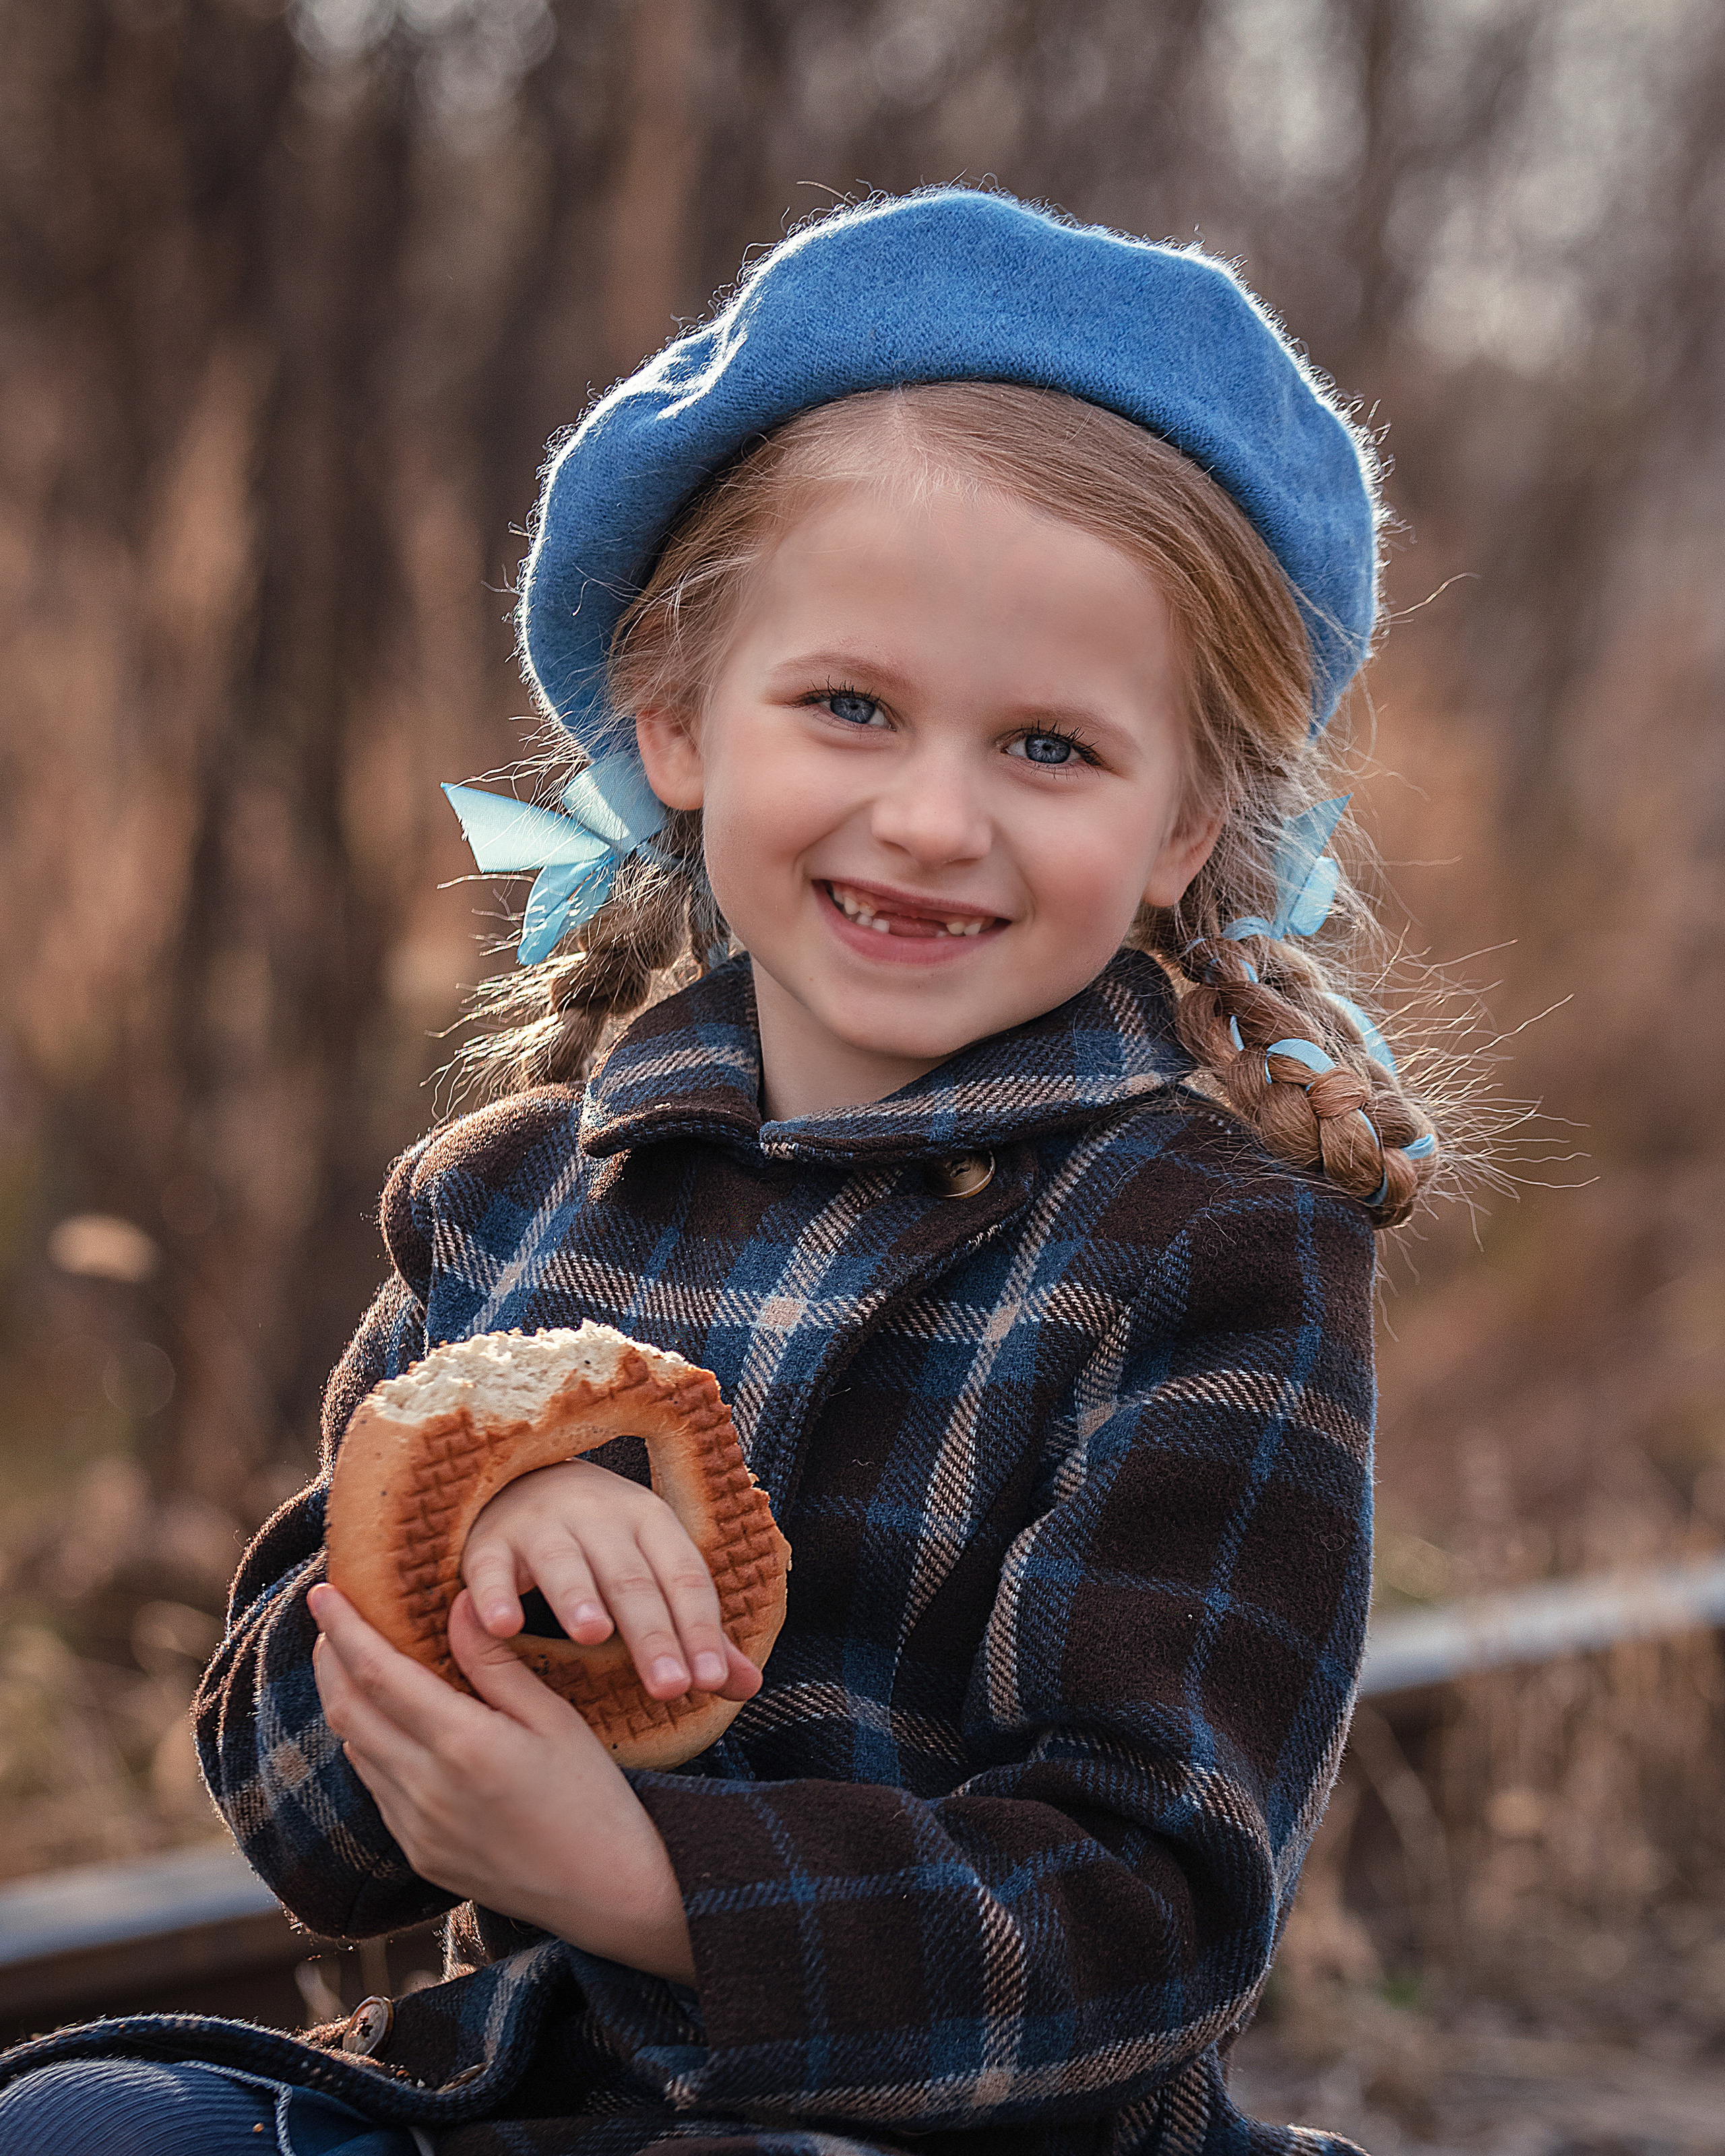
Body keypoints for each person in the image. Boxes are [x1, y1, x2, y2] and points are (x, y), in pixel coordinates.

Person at [0, 188, 1443, 2154]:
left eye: (1049, 748)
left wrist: (634, 1882)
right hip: (513, 2102)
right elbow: (303, 1832)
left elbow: (1149, 1918)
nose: (931, 818)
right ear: (677, 721)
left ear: (1189, 825)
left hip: (933, 2134)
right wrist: (451, 1590)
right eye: (849, 706)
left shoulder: (1211, 1249)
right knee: (84, 2126)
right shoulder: (509, 1199)